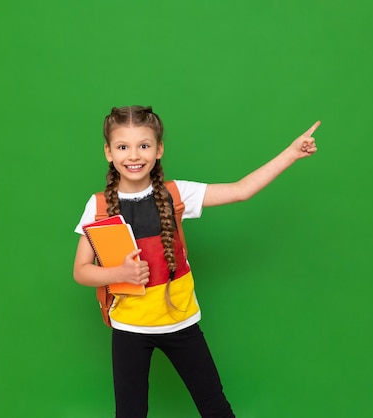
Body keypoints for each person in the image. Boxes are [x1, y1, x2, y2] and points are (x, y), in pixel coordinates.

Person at [73, 105, 319, 418]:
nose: (133, 155)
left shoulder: (178, 194)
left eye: (144, 146)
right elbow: (81, 271)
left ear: (159, 149)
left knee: (215, 408)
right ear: (108, 152)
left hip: (181, 322)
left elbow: (240, 191)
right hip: (129, 328)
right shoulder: (98, 205)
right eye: (123, 147)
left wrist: (291, 153)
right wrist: (119, 272)